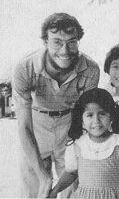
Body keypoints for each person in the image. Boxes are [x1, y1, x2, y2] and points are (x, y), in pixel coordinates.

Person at [12, 13, 100, 198]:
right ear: (45, 42)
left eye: (72, 41)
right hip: (36, 126)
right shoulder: (24, 68)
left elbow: (86, 116)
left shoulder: (91, 69)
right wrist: (43, 176)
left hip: (69, 126)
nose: (65, 51)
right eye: (57, 42)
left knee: (74, 191)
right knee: (34, 192)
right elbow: (24, 126)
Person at [48, 88, 119, 199]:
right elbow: (71, 173)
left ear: (111, 117)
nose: (96, 120)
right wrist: (55, 190)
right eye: (90, 115)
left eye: (102, 114)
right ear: (82, 120)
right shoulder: (78, 145)